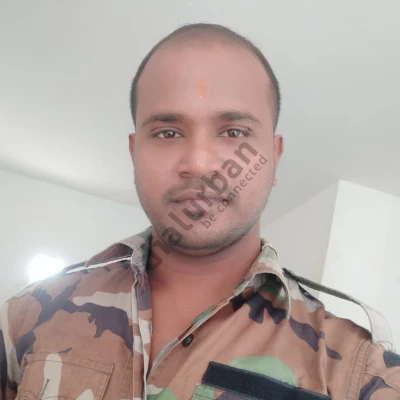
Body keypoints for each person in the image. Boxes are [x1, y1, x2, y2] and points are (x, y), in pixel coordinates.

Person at [0, 23, 399, 400]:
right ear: (134, 152)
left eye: (234, 132)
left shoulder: (359, 369)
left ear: (274, 158)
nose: (199, 163)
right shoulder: (25, 316)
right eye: (168, 132)